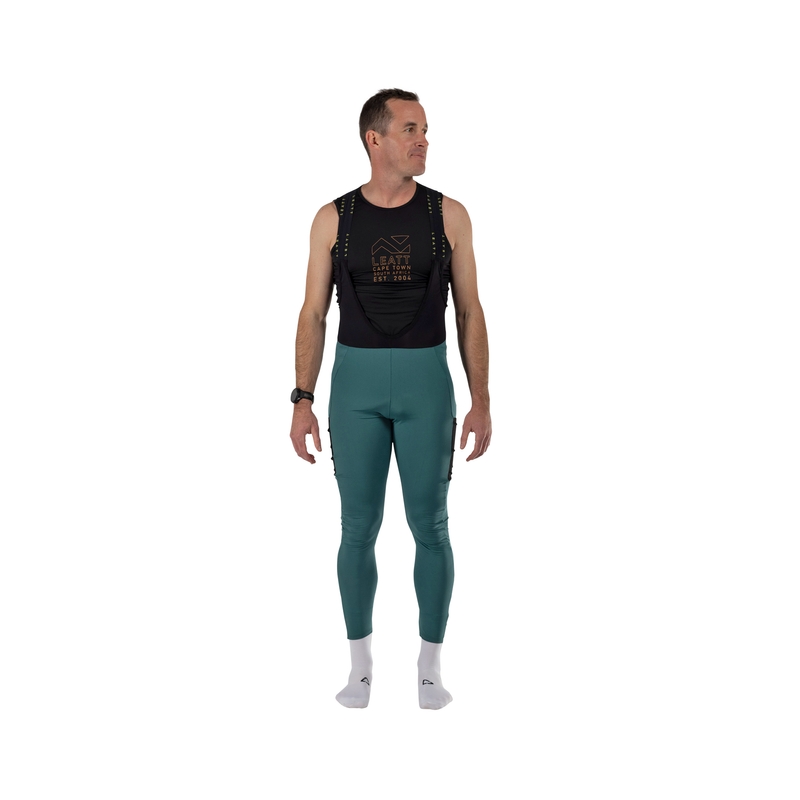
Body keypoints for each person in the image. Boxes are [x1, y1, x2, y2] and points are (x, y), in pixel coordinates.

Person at [290, 89, 491, 710]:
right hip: (355, 388)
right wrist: (302, 399)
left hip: (428, 384)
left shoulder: (448, 215)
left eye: (425, 129)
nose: (423, 140)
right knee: (357, 528)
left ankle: (430, 669)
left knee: (431, 526)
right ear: (374, 139)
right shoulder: (333, 218)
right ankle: (360, 670)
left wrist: (481, 398)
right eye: (410, 129)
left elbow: (470, 311)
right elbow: (313, 314)